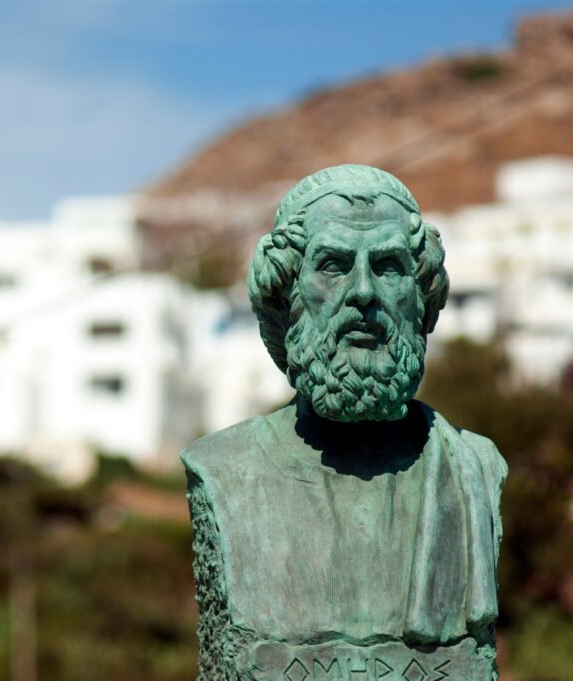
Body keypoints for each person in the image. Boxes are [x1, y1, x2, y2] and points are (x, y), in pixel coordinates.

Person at [182, 165, 507, 681]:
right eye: (332, 265)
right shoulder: (224, 471)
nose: (363, 293)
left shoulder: (473, 469)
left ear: (421, 298)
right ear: (287, 296)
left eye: (388, 267)